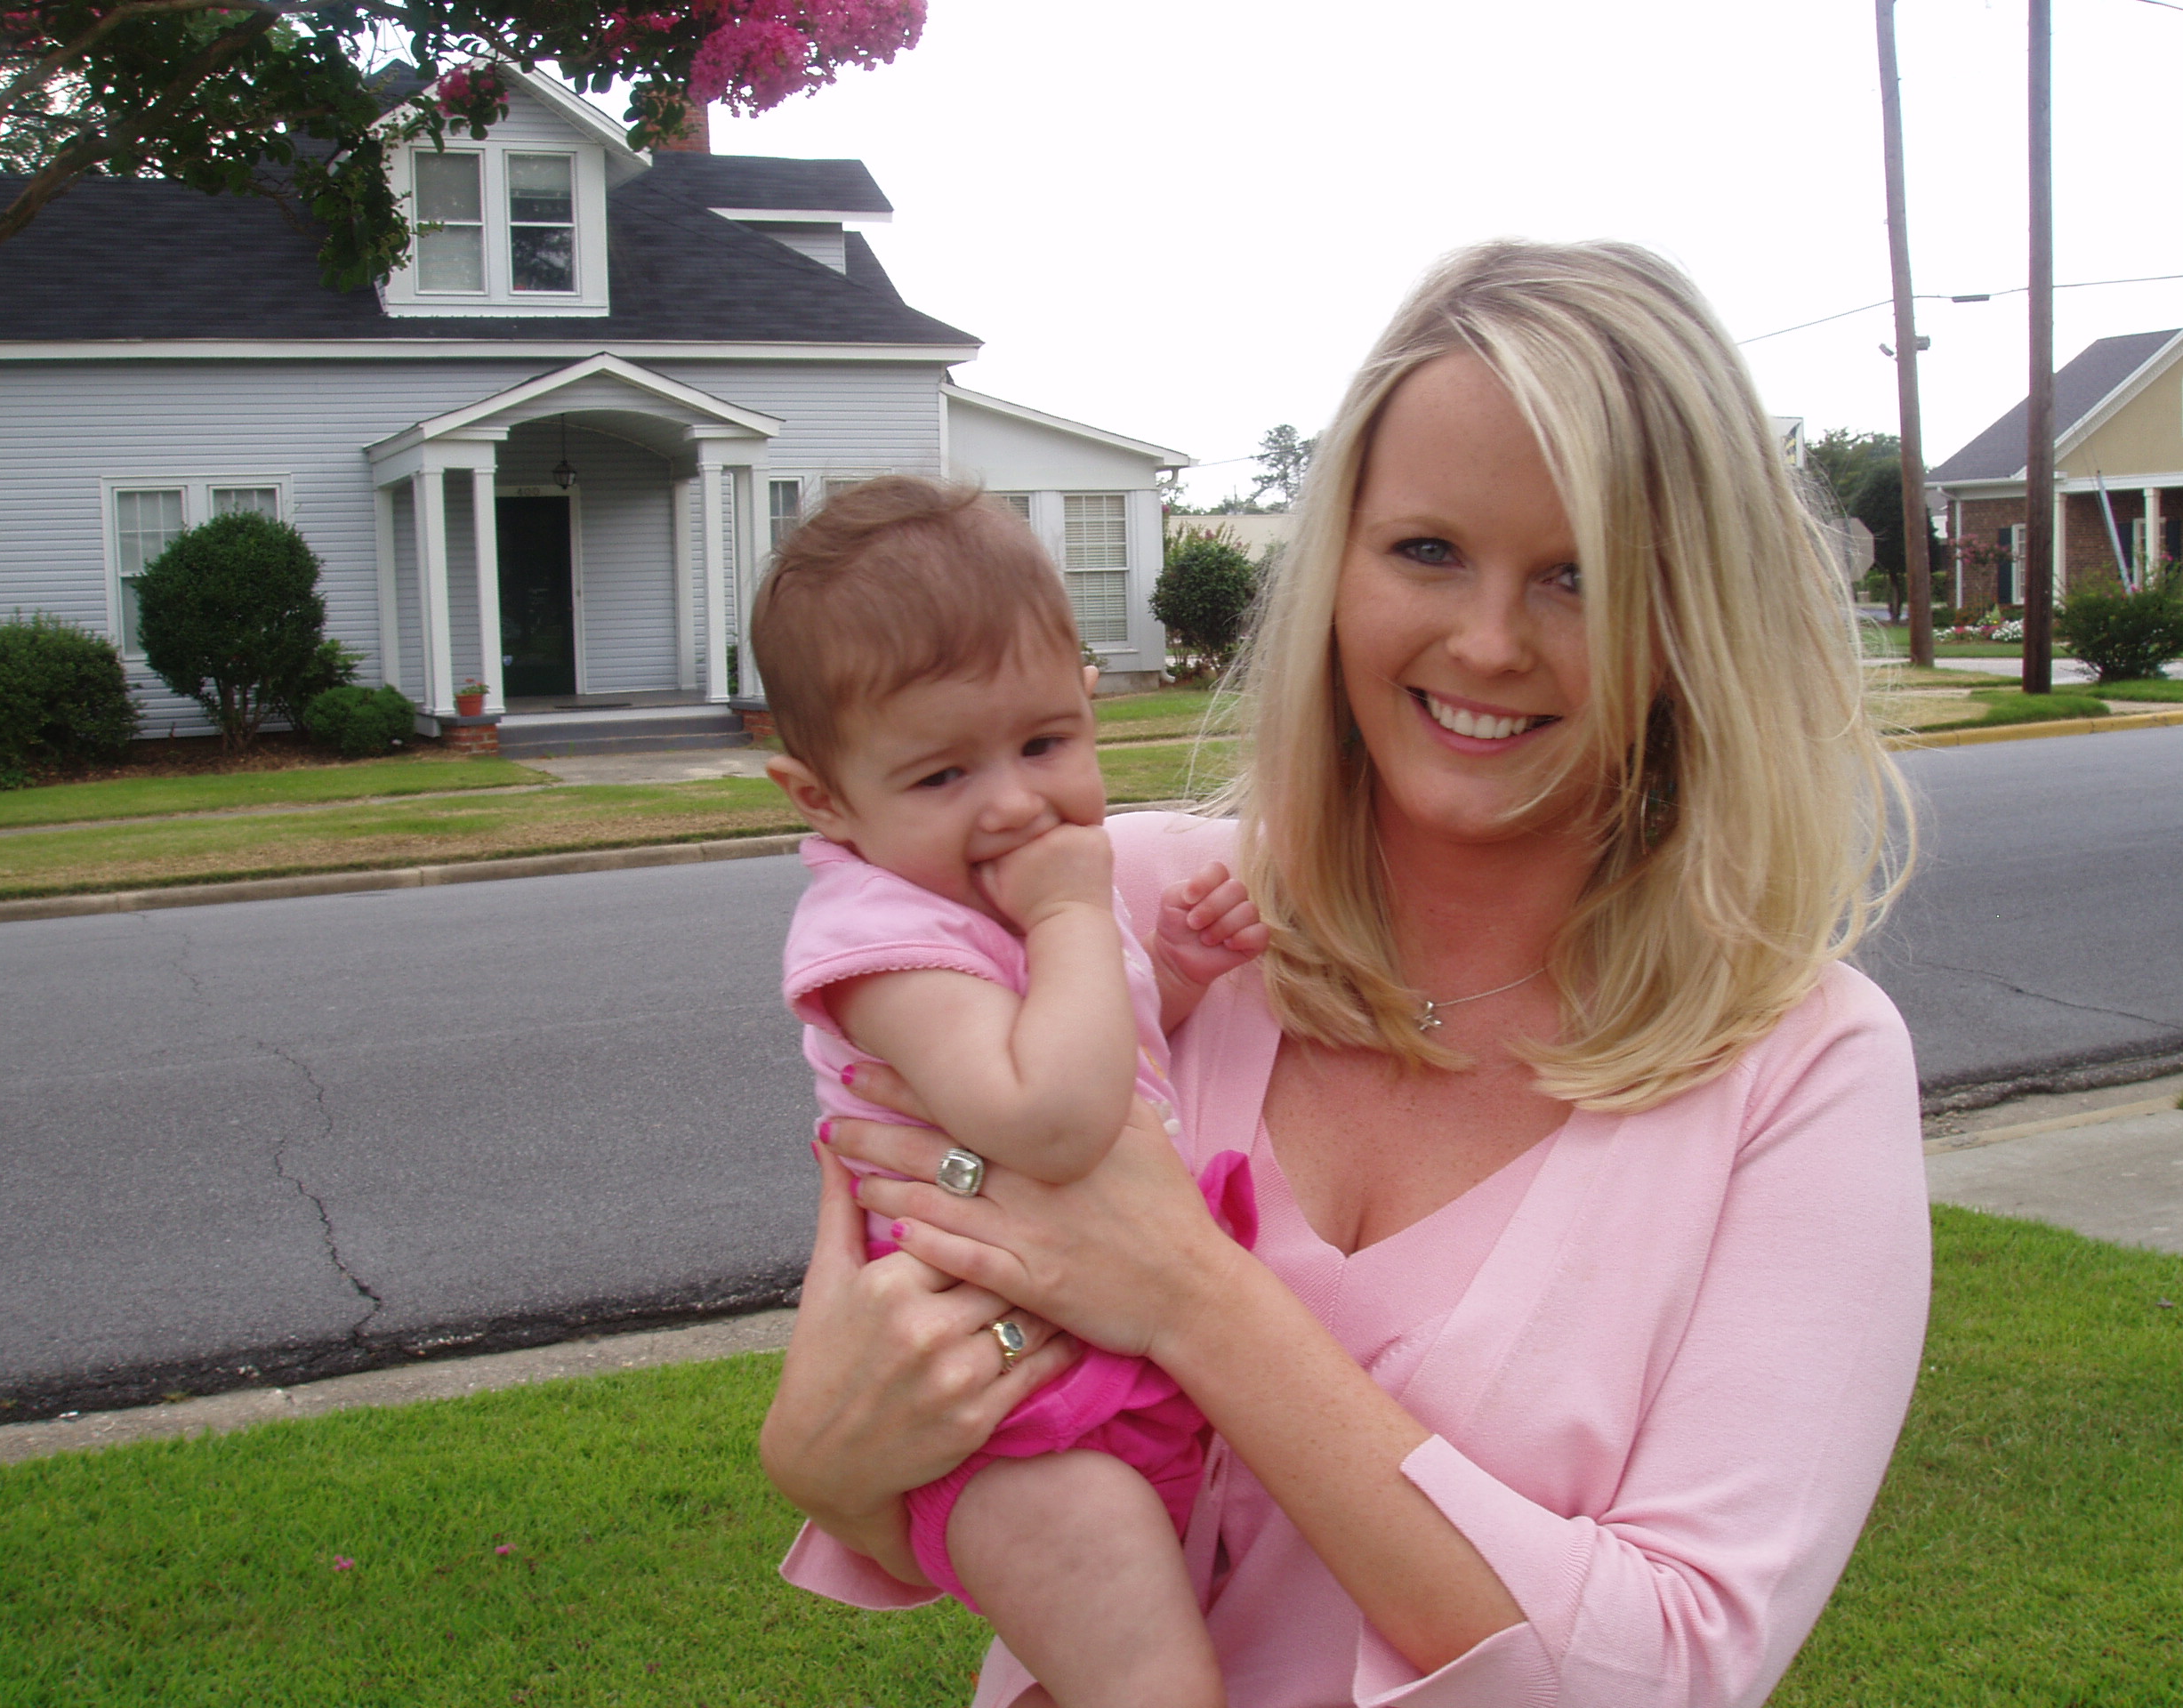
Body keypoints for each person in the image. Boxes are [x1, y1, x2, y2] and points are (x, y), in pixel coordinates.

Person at [762, 240, 1930, 1708]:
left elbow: (1679, 1668)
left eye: (1577, 576)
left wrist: (1192, 1298)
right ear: (1335, 568)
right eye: (1427, 551)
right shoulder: (1127, 913)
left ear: (1692, 619)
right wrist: (822, 1457)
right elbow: (902, 1411)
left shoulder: (1802, 1069)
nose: (1487, 642)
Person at [754, 477, 1270, 1708]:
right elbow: (1051, 1120)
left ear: (1088, 704)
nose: (1015, 801)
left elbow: (1102, 1055)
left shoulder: (981, 895)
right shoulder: (880, 941)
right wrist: (1075, 913)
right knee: (1155, 1684)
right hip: (1011, 1426)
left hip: (1088, 1364)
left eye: (1045, 744)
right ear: (823, 798)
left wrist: (1172, 978)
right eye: (942, 775)